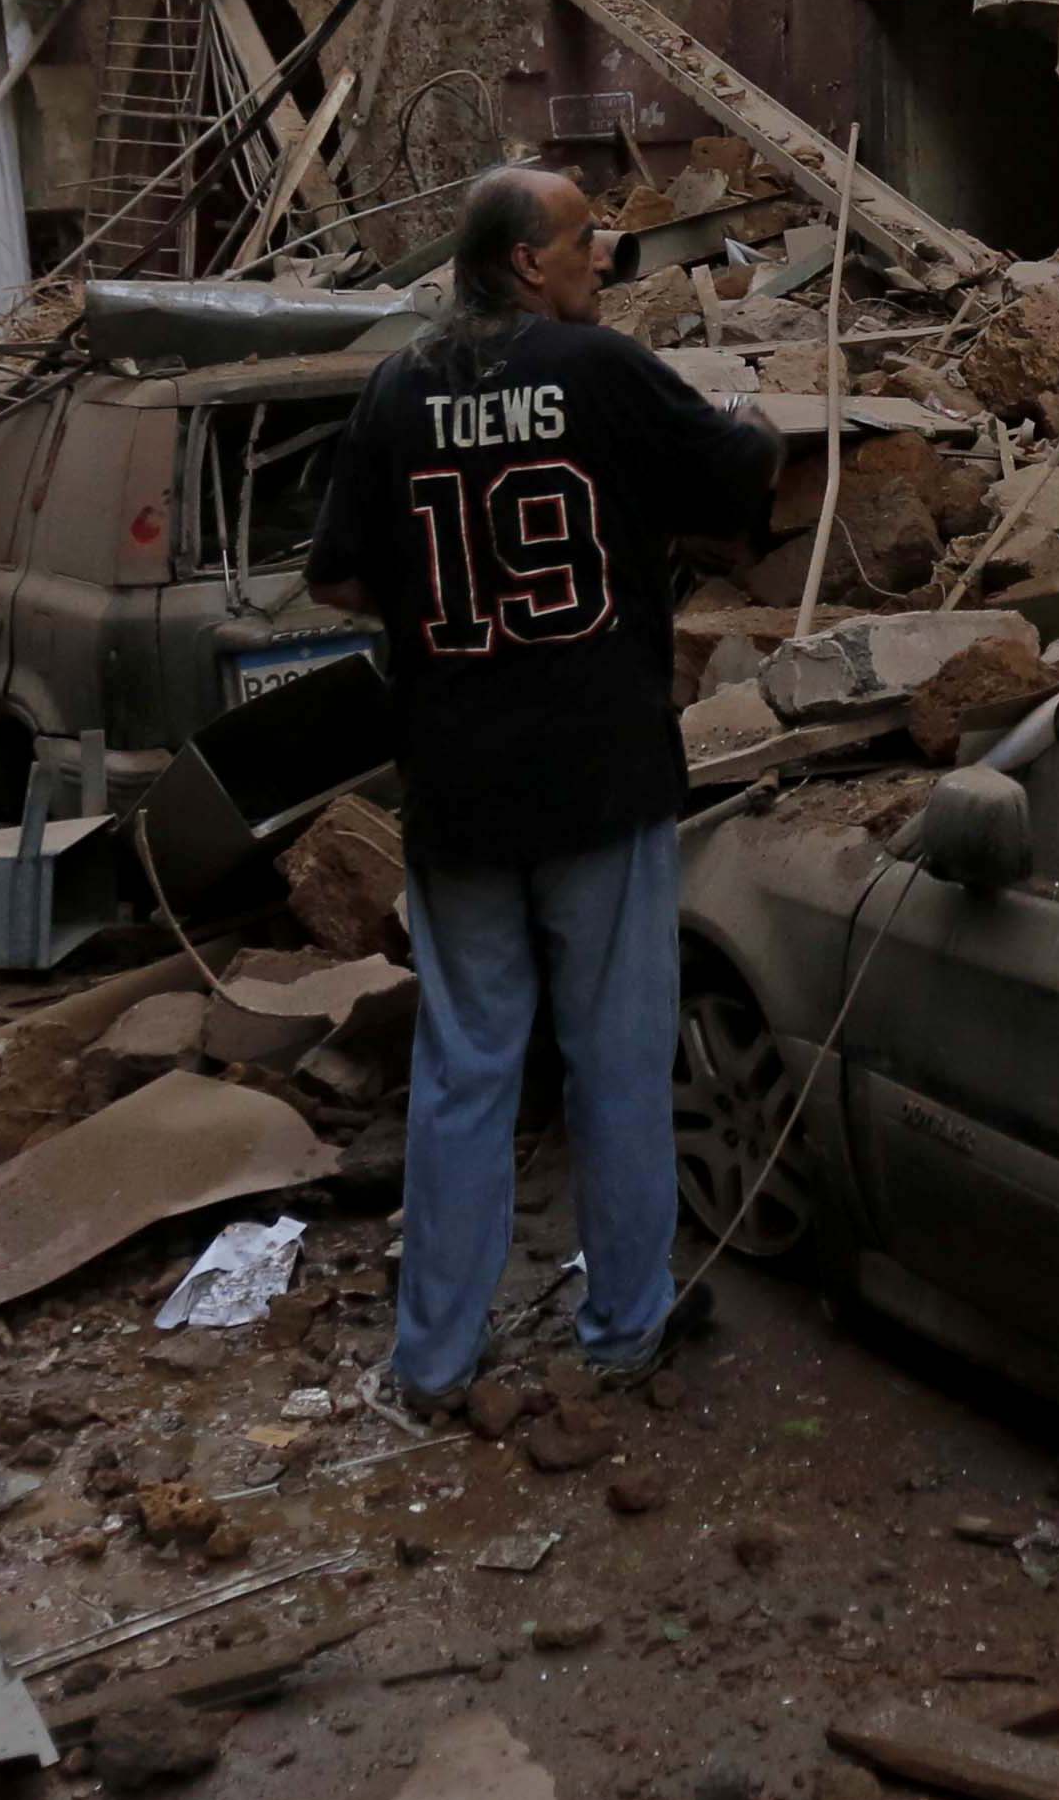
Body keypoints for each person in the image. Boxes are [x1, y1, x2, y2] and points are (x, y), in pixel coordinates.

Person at [307, 166, 781, 1413]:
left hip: (458, 784)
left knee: (464, 1072)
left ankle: (434, 1358)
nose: (603, 254)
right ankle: (624, 1327)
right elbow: (742, 478)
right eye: (585, 237)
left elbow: (339, 581)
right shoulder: (597, 370)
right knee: (617, 1058)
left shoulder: (396, 387)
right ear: (525, 258)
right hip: (599, 773)